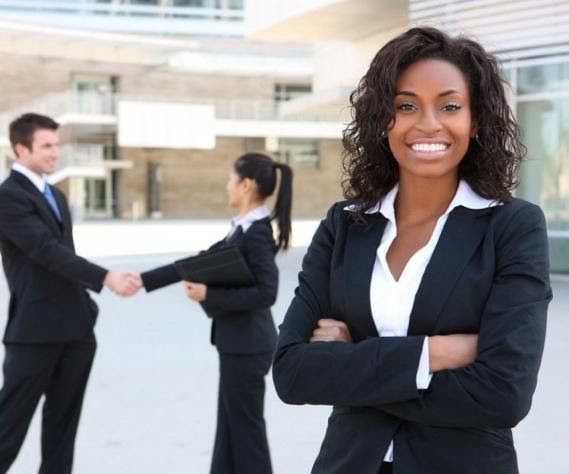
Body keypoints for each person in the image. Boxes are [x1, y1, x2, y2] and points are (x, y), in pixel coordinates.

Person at [272, 27, 552, 474]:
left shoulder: (512, 226)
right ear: (383, 119)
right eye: (406, 106)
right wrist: (434, 354)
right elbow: (291, 373)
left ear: (475, 119)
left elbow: (504, 393)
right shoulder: (344, 224)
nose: (428, 123)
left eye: (450, 106)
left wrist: (353, 362)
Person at [0, 112, 142, 473]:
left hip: (76, 330)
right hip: (34, 332)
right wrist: (106, 277)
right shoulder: (8, 198)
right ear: (21, 148)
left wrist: (86, 307)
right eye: (46, 146)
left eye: (57, 145)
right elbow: (46, 251)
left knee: (62, 432)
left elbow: (67, 255)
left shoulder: (57, 196)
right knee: (7, 431)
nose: (55, 153)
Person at [140, 152, 293, 474]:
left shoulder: (257, 233)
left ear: (246, 185)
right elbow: (198, 262)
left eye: (230, 180)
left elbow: (268, 292)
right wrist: (143, 280)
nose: (227, 186)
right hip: (238, 344)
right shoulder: (242, 229)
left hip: (248, 346)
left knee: (245, 430)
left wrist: (211, 294)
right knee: (230, 426)